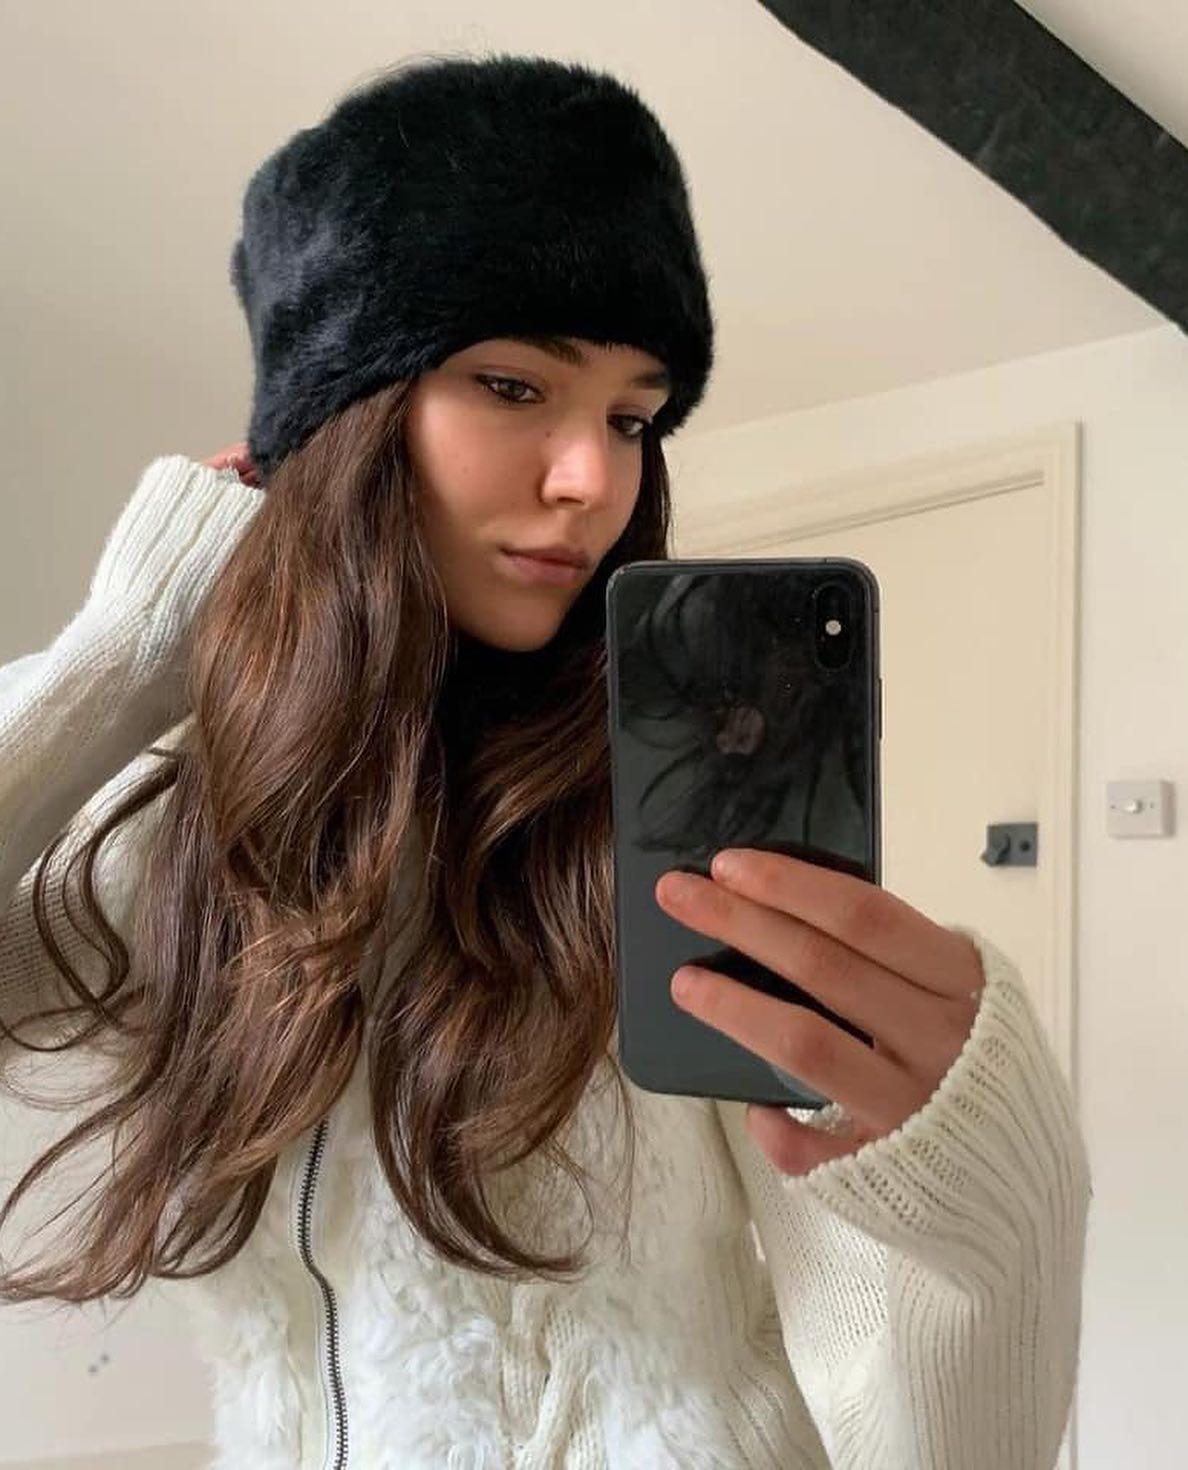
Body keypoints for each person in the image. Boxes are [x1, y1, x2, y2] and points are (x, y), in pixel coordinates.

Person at [0, 53, 1090, 1470]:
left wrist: (985, 1195)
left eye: (634, 416)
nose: (594, 478)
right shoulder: (182, 832)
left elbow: (939, 1447)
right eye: (514, 383)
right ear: (338, 419)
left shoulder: (669, 820)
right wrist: (127, 645)